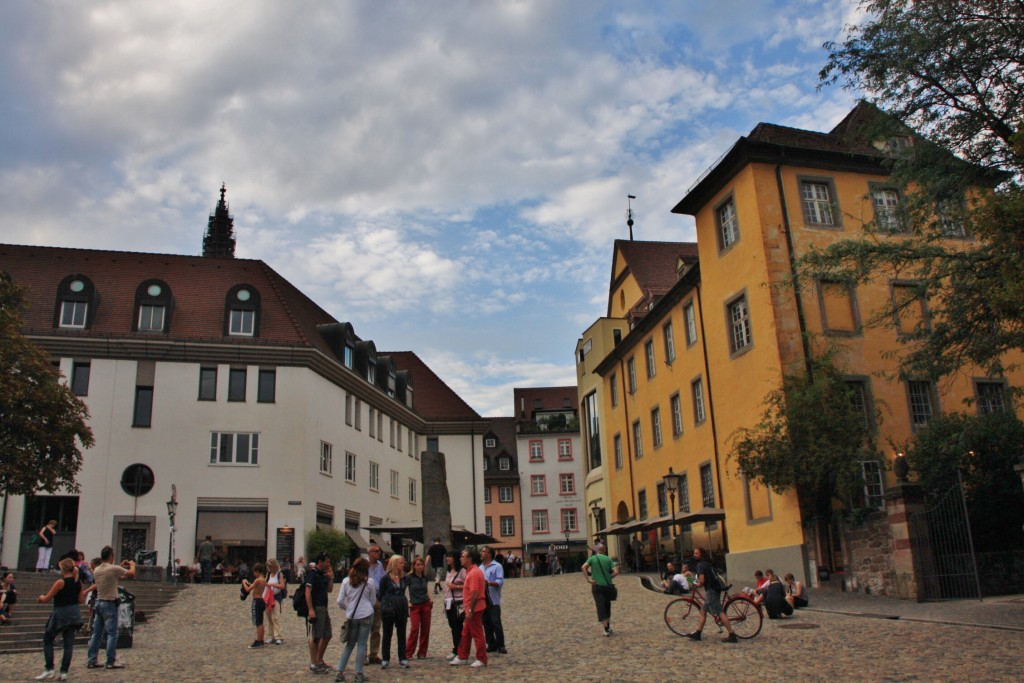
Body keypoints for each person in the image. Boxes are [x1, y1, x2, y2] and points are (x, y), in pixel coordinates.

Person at [34, 557, 90, 681]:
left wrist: (40, 598)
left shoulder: (60, 582)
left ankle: (49, 669)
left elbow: (47, 598)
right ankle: (64, 672)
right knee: (68, 643)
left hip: (61, 613)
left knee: (48, 638)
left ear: (62, 568)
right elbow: (81, 600)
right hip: (74, 613)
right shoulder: (77, 583)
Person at [86, 546, 136, 669]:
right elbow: (131, 573)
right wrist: (132, 564)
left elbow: (112, 573)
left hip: (99, 603)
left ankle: (92, 660)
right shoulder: (113, 569)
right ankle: (110, 661)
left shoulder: (97, 569)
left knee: (96, 634)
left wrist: (120, 565)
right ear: (110, 556)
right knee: (112, 634)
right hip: (110, 604)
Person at [334, 557, 377, 683]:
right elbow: (373, 600)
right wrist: (368, 607)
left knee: (350, 645)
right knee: (362, 644)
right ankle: (358, 673)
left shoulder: (346, 581)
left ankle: (339, 671)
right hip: (366, 614)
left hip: (352, 616)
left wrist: (348, 608)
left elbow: (339, 601)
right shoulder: (369, 582)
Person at [683, 547, 738, 644]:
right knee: (703, 611)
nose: (694, 555)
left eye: (696, 553)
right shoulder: (707, 563)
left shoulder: (700, 565)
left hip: (711, 590)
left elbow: (702, 581)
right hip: (714, 588)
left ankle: (732, 634)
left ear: (701, 554)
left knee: (719, 612)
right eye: (694, 553)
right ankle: (698, 633)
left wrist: (695, 584)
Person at [449, 549, 487, 668]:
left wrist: (470, 610)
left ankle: (481, 658)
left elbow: (475, 593)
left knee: (477, 633)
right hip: (471, 608)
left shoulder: (474, 573)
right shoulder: (471, 571)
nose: (460, 558)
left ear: (470, 559)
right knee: (466, 633)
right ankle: (462, 656)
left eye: (463, 556)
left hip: (475, 608)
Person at [376, 554, 410, 669]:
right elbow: (380, 594)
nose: (403, 565)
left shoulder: (404, 577)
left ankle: (403, 657)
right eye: (401, 563)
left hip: (401, 607)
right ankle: (386, 658)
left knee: (401, 633)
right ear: (394, 563)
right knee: (387, 634)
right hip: (389, 608)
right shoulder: (385, 578)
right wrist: (387, 602)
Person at [305, 552, 335, 674]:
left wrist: (331, 577)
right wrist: (311, 609)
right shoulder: (313, 574)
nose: (329, 564)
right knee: (316, 636)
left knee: (327, 634)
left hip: (324, 607)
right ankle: (314, 663)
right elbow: (307, 592)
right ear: (320, 561)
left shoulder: (323, 575)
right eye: (327, 561)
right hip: (317, 608)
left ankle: (319, 659)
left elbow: (330, 590)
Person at [583, 542, 618, 637]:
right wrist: (609, 577)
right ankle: (608, 627)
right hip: (607, 586)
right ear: (604, 550)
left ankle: (606, 629)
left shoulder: (592, 558)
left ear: (597, 550)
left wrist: (589, 580)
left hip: (597, 586)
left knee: (600, 606)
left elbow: (583, 567)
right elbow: (616, 572)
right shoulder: (608, 559)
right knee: (607, 605)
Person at [479, 546, 506, 654]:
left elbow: (500, 581)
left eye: (484, 551)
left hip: (493, 599)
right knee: (486, 622)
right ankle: (491, 644)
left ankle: (501, 645)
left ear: (489, 554)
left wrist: (489, 583)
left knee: (496, 622)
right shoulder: (480, 568)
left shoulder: (497, 566)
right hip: (483, 599)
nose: (481, 553)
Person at [405, 556, 432, 659]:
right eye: (418, 565)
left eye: (422, 565)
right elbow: (402, 589)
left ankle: (422, 652)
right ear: (414, 566)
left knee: (425, 629)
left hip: (425, 604)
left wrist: (430, 599)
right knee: (415, 629)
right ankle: (408, 652)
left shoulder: (425, 577)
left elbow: (426, 590)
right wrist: (407, 601)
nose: (420, 567)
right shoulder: (409, 577)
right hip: (415, 605)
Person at [442, 550, 466, 660]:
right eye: (447, 557)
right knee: (452, 626)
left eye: (450, 557)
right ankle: (456, 648)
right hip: (448, 602)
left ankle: (460, 650)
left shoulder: (461, 571)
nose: (447, 559)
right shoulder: (448, 571)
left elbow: (467, 585)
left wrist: (456, 587)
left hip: (458, 602)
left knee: (458, 626)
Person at [364, 544, 385, 665]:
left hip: (378, 598)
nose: (379, 553)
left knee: (376, 627)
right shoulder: (364, 565)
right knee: (365, 627)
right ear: (370, 553)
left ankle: (374, 654)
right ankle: (363, 654)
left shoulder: (380, 565)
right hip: (367, 599)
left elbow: (382, 579)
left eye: (379, 551)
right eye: (376, 551)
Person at [242, 562, 268, 648]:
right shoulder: (264, 579)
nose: (254, 574)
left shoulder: (258, 580)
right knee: (261, 621)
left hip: (257, 600)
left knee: (258, 622)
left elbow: (248, 589)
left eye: (254, 572)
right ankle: (261, 639)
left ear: (257, 571)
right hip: (262, 600)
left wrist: (243, 582)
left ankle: (259, 640)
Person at [264, 558, 286, 644]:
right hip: (268, 597)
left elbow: (282, 586)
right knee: (269, 617)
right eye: (268, 566)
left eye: (270, 566)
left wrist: (272, 584)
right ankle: (271, 635)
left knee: (275, 617)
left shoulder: (279, 574)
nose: (269, 568)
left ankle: (279, 636)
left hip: (276, 597)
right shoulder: (268, 574)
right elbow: (265, 584)